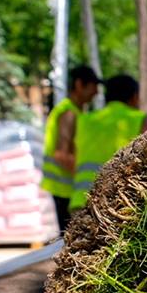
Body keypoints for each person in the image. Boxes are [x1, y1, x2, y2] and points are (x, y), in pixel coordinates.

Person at [70, 74, 147, 212]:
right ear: (134, 97)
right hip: (119, 204)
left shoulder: (83, 120)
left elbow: (74, 159)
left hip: (81, 200)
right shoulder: (141, 120)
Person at [42, 65, 100, 233]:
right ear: (79, 84)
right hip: (65, 191)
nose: (96, 92)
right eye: (93, 86)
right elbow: (62, 154)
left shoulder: (73, 112)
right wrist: (89, 180)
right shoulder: (69, 114)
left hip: (67, 191)